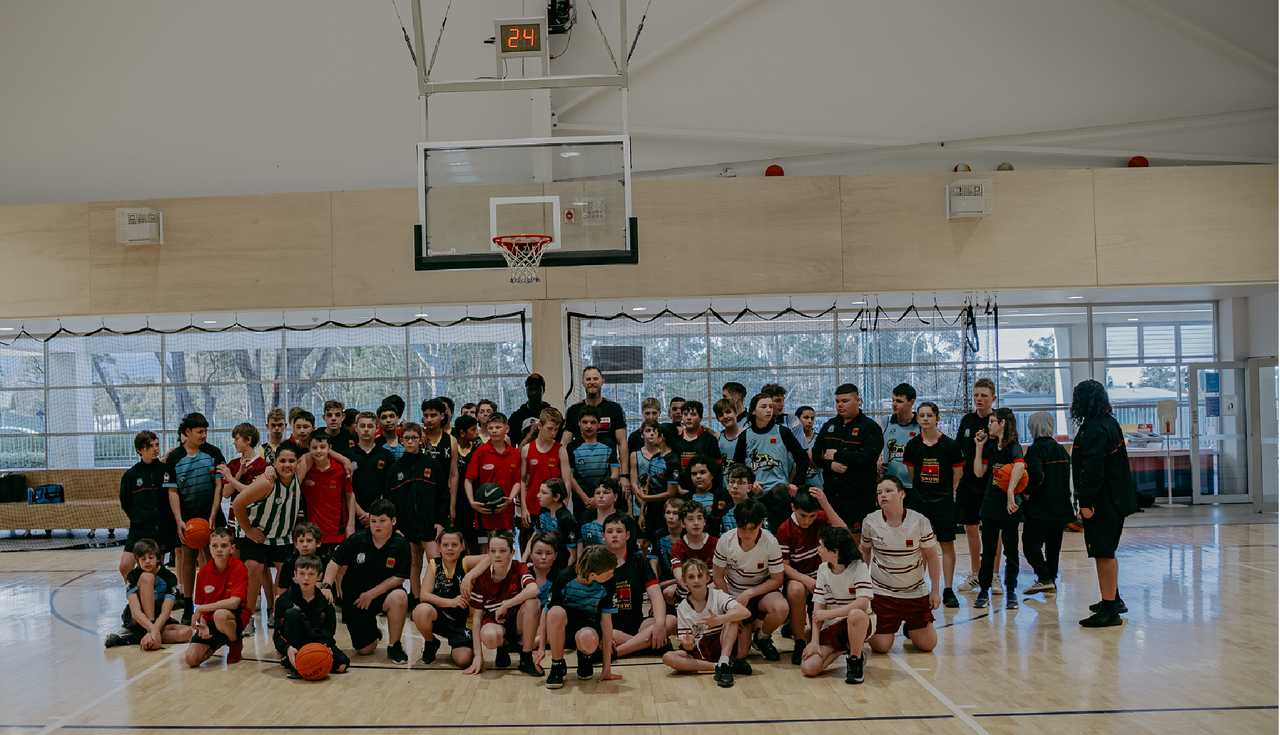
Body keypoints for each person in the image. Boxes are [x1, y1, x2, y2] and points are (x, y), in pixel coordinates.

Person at [1070, 380, 1138, 628]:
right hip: (1115, 500)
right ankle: (1113, 600)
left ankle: (1110, 611)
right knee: (1106, 550)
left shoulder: (1096, 428)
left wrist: (1085, 501)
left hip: (1102, 502)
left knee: (1103, 552)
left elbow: (1094, 470)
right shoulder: (1109, 422)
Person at [322, 498, 411, 662]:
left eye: (382, 521)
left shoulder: (402, 545)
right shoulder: (357, 539)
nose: (377, 525)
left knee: (399, 596)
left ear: (393, 521)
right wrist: (326, 586)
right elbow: (334, 562)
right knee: (365, 650)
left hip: (381, 596)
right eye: (373, 521)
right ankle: (372, 631)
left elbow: (399, 578)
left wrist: (370, 594)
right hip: (355, 600)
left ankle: (394, 645)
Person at [229, 441, 303, 641]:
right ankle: (248, 617)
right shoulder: (267, 482)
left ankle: (277, 612)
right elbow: (237, 503)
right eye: (282, 461)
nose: (287, 465)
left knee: (286, 569)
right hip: (254, 529)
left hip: (281, 534)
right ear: (275, 462)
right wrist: (248, 530)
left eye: (291, 461)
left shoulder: (299, 473)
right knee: (253, 567)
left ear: (298, 463)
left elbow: (313, 451)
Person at [861, 477, 941, 654]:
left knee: (928, 645)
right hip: (883, 594)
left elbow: (933, 556)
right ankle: (888, 622)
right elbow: (865, 553)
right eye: (879, 492)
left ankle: (911, 625)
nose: (883, 495)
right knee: (880, 647)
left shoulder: (919, 521)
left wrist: (935, 591)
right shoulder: (870, 521)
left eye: (889, 491)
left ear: (902, 494)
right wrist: (863, 588)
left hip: (915, 593)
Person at [163, 412, 226, 626]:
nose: (204, 435)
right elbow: (172, 491)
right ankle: (188, 605)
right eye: (199, 432)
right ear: (187, 432)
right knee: (188, 559)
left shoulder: (214, 453)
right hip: (187, 518)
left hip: (211, 516)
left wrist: (213, 515)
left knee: (214, 560)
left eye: (206, 431)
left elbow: (219, 486)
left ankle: (213, 604)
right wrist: (178, 520)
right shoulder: (174, 458)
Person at [900, 402, 965, 609]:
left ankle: (947, 589)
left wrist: (945, 492)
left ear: (937, 418)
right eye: (921, 415)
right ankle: (920, 587)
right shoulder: (912, 446)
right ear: (917, 419)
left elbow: (957, 476)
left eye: (929, 415)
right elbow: (911, 475)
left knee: (946, 545)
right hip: (919, 503)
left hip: (944, 502)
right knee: (919, 547)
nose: (925, 418)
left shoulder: (950, 445)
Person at [775, 487, 846, 665]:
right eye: (803, 516)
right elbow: (784, 567)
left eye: (812, 516)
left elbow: (843, 530)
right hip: (799, 579)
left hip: (823, 580)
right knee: (797, 589)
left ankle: (794, 627)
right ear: (793, 508)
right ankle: (799, 642)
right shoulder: (784, 529)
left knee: (826, 636)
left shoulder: (821, 518)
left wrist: (825, 503)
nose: (807, 521)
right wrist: (807, 580)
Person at [712, 498, 786, 663]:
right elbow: (717, 576)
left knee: (781, 608)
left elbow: (777, 580)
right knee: (740, 653)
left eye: (751, 529)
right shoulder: (725, 540)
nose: (746, 533)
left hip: (760, 592)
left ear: (760, 523)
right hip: (732, 595)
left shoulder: (770, 542)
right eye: (741, 528)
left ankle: (762, 638)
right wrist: (729, 607)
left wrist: (749, 593)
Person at [662, 558, 751, 688]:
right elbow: (688, 646)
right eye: (691, 577)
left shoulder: (718, 595)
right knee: (668, 658)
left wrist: (720, 619)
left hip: (721, 643)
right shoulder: (682, 607)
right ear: (685, 581)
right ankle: (720, 666)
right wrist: (688, 645)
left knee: (732, 617)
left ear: (708, 578)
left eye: (700, 576)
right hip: (698, 648)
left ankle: (724, 659)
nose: (696, 580)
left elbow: (745, 612)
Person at [799, 526, 873, 684]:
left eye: (821, 546)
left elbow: (862, 604)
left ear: (835, 551)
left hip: (859, 622)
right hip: (833, 626)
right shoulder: (822, 569)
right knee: (809, 668)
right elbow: (817, 609)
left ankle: (855, 660)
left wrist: (829, 614)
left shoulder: (859, 567)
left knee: (855, 614)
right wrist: (814, 642)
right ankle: (846, 649)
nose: (818, 549)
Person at [812, 384, 884, 544]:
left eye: (845, 400)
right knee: (832, 538)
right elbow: (817, 454)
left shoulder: (870, 427)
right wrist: (830, 465)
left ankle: (859, 569)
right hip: (832, 494)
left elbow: (868, 457)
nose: (840, 405)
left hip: (859, 496)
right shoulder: (829, 426)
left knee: (857, 540)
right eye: (837, 401)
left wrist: (838, 454)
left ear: (858, 400)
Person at [540, 545, 620, 688]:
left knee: (587, 637)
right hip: (565, 625)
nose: (612, 575)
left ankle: (585, 659)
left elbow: (607, 624)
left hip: (589, 624)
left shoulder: (608, 583)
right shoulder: (565, 577)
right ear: (593, 575)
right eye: (609, 572)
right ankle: (557, 665)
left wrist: (606, 668)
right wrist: (541, 649)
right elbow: (546, 612)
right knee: (555, 612)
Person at [465, 529, 542, 676]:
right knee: (489, 636)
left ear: (512, 553)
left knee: (534, 603)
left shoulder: (519, 567)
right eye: (493, 551)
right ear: (488, 553)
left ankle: (526, 657)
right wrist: (478, 656)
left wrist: (505, 605)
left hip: (516, 620)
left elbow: (533, 589)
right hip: (495, 622)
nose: (497, 555)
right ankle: (503, 646)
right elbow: (476, 618)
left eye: (502, 550)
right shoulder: (482, 578)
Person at [971, 407, 1027, 610]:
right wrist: (978, 447)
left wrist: (1011, 491)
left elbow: (1020, 466)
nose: (988, 425)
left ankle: (1011, 591)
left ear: (1002, 423)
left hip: (1010, 507)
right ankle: (984, 590)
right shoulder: (990, 447)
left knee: (1011, 552)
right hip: (990, 505)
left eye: (992, 421)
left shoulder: (1014, 447)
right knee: (988, 552)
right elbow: (979, 472)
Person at [386, 422, 446, 605]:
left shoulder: (432, 465)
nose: (410, 441)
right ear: (401, 440)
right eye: (406, 438)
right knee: (413, 561)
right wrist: (396, 526)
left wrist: (441, 521)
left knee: (435, 561)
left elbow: (443, 495)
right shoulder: (395, 469)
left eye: (414, 437)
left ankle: (437, 596)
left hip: (430, 522)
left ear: (420, 440)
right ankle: (417, 597)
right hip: (406, 524)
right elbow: (389, 501)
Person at [413, 528, 490, 667]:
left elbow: (489, 557)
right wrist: (451, 602)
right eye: (445, 545)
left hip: (463, 622)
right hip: (441, 617)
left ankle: (459, 644)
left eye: (454, 545)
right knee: (421, 610)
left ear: (462, 546)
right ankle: (430, 643)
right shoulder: (434, 565)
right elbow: (424, 595)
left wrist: (469, 576)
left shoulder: (465, 562)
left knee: (463, 660)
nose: (450, 549)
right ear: (439, 547)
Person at [732, 393, 810, 532]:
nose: (769, 410)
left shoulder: (782, 431)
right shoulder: (745, 435)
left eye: (770, 406)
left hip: (779, 496)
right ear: (753, 411)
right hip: (756, 495)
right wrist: (750, 482)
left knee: (779, 535)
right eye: (763, 407)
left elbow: (802, 458)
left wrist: (796, 483)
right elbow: (737, 466)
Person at [602, 513, 676, 657]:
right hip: (609, 627)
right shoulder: (596, 564)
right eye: (610, 532)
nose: (615, 535)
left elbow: (656, 596)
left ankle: (617, 652)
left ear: (628, 535)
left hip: (637, 625)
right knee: (595, 633)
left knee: (670, 621)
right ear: (603, 536)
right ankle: (647, 645)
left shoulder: (640, 564)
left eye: (619, 531)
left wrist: (660, 625)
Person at [104, 538, 192, 650]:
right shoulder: (133, 576)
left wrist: (155, 630)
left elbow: (166, 611)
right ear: (137, 561)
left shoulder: (170, 577)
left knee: (187, 632)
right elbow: (135, 611)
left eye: (151, 557)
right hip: (137, 619)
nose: (147, 561)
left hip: (158, 619)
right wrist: (153, 629)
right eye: (143, 558)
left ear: (158, 559)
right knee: (147, 576)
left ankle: (131, 638)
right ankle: (148, 633)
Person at [1021, 411, 1074, 595]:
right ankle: (1051, 580)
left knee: (1030, 544)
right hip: (1061, 507)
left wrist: (1027, 492)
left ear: (1034, 427)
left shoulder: (1035, 449)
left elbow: (1035, 474)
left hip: (1041, 507)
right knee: (1053, 548)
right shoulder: (1061, 449)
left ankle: (1043, 577)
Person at [956, 378, 1000, 594]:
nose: (979, 399)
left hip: (992, 484)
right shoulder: (966, 420)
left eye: (984, 395)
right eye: (976, 395)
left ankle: (994, 575)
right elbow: (958, 450)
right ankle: (975, 574)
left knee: (993, 530)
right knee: (970, 527)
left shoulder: (999, 422)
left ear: (993, 398)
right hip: (968, 484)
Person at [274, 553, 349, 678]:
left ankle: (306, 662)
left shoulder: (325, 601)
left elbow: (328, 632)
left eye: (311, 574)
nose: (306, 578)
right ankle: (295, 661)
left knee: (342, 664)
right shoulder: (284, 600)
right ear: (295, 575)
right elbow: (278, 633)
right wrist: (287, 648)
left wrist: (325, 648)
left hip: (317, 643)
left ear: (319, 576)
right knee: (292, 613)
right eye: (302, 573)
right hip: (295, 643)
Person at [186, 528, 249, 666]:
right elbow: (203, 602)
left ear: (232, 548)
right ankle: (218, 641)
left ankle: (234, 641)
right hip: (210, 620)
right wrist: (203, 623)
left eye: (224, 546)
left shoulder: (240, 568)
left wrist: (201, 609)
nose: (219, 549)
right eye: (215, 546)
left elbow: (234, 603)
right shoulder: (202, 572)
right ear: (209, 548)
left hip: (232, 616)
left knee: (220, 615)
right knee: (191, 659)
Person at [563, 366, 630, 493]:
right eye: (588, 379)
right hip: (581, 478)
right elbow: (564, 444)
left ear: (602, 381)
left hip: (609, 475)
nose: (592, 382)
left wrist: (624, 475)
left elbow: (622, 443)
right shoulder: (573, 411)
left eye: (595, 378)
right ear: (583, 383)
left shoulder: (614, 408)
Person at [465, 413, 522, 550]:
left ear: (506, 429)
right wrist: (473, 503)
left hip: (506, 513)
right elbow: (468, 480)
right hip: (484, 514)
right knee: (486, 551)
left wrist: (510, 499)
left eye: (498, 427)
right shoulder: (480, 452)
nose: (494, 431)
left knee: (504, 550)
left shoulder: (514, 453)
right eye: (490, 428)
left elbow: (518, 482)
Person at [118, 431, 170, 581]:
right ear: (140, 450)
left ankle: (154, 600)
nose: (155, 449)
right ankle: (135, 598)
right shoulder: (131, 475)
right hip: (139, 529)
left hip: (159, 529)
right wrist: (139, 518)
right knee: (125, 567)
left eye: (157, 445)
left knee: (155, 569)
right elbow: (125, 503)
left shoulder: (164, 470)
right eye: (150, 446)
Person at [296, 433, 357, 554]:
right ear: (309, 449)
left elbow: (350, 496)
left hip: (338, 531)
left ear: (330, 448)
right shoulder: (305, 471)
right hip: (313, 533)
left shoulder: (340, 470)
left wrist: (351, 524)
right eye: (314, 448)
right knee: (316, 569)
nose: (319, 451)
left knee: (339, 569)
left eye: (322, 447)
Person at [520, 408, 571, 538]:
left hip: (554, 507)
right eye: (550, 429)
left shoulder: (561, 450)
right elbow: (522, 480)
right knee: (532, 544)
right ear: (539, 426)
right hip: (532, 506)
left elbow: (567, 481)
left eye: (556, 429)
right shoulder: (527, 449)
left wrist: (563, 505)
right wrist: (523, 508)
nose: (553, 433)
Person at [631, 419, 681, 539]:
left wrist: (645, 497)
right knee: (646, 543)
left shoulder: (673, 461)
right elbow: (648, 485)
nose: (653, 435)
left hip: (664, 511)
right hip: (650, 512)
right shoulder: (654, 458)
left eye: (656, 433)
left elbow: (671, 493)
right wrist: (642, 512)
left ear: (662, 437)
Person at [344, 411, 396, 525]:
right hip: (355, 516)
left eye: (370, 426)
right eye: (362, 426)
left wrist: (374, 513)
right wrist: (360, 513)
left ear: (377, 428)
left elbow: (388, 487)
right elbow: (346, 488)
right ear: (356, 428)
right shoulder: (346, 456)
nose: (366, 429)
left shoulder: (386, 455)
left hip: (381, 515)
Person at [565, 405, 620, 512]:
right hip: (582, 501)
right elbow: (570, 477)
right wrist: (586, 499)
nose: (588, 426)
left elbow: (615, 473)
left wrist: (599, 497)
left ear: (599, 424)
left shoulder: (609, 444)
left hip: (605, 499)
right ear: (579, 423)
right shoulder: (572, 447)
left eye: (593, 422)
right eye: (585, 422)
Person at [668, 500, 719, 605]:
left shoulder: (717, 543)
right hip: (688, 588)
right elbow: (678, 574)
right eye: (690, 519)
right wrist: (693, 589)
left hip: (713, 587)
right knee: (668, 592)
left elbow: (721, 575)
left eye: (699, 518)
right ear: (682, 523)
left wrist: (704, 590)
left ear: (704, 521)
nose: (696, 523)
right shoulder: (677, 547)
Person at [420, 399, 461, 527]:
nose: (429, 420)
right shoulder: (417, 437)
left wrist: (452, 505)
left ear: (442, 416)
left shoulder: (451, 440)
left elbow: (454, 474)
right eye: (426, 415)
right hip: (421, 496)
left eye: (433, 415)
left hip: (443, 497)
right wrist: (418, 430)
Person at [530, 478, 580, 570]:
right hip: (546, 562)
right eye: (540, 491)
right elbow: (534, 537)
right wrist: (524, 561)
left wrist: (565, 577)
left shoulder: (565, 519)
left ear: (556, 497)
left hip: (561, 567)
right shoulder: (544, 510)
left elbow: (573, 555)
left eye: (544, 493)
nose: (538, 495)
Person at [878, 383, 919, 491]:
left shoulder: (921, 425)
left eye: (899, 401)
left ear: (911, 402)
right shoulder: (884, 423)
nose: (894, 404)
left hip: (913, 485)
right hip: (889, 485)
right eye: (893, 400)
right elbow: (872, 449)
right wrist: (876, 461)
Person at [673, 401, 720, 493]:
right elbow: (673, 467)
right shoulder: (675, 441)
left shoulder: (709, 439)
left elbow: (716, 467)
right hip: (682, 490)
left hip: (706, 492)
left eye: (693, 414)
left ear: (701, 418)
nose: (689, 418)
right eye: (685, 414)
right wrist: (677, 487)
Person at [277, 521, 325, 597]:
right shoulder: (289, 563)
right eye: (301, 541)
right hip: (295, 600)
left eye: (309, 541)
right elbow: (282, 589)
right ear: (296, 544)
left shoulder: (325, 561)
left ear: (318, 543)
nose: (305, 545)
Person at [649, 496, 686, 597]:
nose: (670, 517)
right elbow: (654, 565)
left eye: (675, 513)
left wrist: (666, 584)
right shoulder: (658, 535)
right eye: (668, 512)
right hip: (663, 581)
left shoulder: (688, 535)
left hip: (686, 581)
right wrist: (655, 586)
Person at [580, 478, 631, 548]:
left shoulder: (626, 520)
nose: (601, 496)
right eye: (597, 493)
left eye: (606, 493)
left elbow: (634, 551)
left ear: (615, 496)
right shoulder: (585, 518)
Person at [508, 374, 554, 448]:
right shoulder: (516, 417)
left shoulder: (552, 414)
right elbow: (510, 445)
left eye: (537, 389)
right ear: (526, 390)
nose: (534, 392)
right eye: (530, 389)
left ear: (543, 390)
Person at [711, 463, 755, 535]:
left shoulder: (758, 509)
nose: (735, 486)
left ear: (749, 487)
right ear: (727, 485)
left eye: (740, 483)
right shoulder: (723, 510)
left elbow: (765, 536)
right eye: (731, 482)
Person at [793, 405, 824, 490]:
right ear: (797, 419)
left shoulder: (820, 440)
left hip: (818, 487)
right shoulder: (790, 440)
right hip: (797, 489)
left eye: (812, 418)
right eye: (806, 418)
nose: (810, 421)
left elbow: (822, 461)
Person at [714, 399, 745, 463]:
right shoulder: (718, 437)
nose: (725, 416)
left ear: (736, 413)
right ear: (717, 419)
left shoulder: (747, 434)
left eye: (728, 412)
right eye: (721, 415)